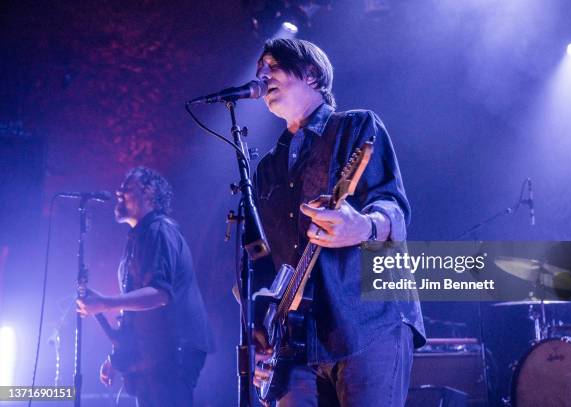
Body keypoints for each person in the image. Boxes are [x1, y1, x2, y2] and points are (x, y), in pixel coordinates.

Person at [252, 38, 426, 406]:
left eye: (271, 65)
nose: (261, 75)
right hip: (295, 342)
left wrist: (363, 227)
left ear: (312, 75)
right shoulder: (266, 169)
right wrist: (261, 328)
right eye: (258, 70)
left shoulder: (355, 127)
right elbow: (262, 261)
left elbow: (391, 204)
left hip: (366, 322)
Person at [76, 166, 215, 407]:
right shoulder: (139, 236)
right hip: (154, 351)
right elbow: (136, 303)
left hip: (172, 349)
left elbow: (159, 294)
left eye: (127, 187)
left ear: (149, 193)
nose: (118, 192)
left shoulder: (158, 231)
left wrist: (104, 303)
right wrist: (117, 354)